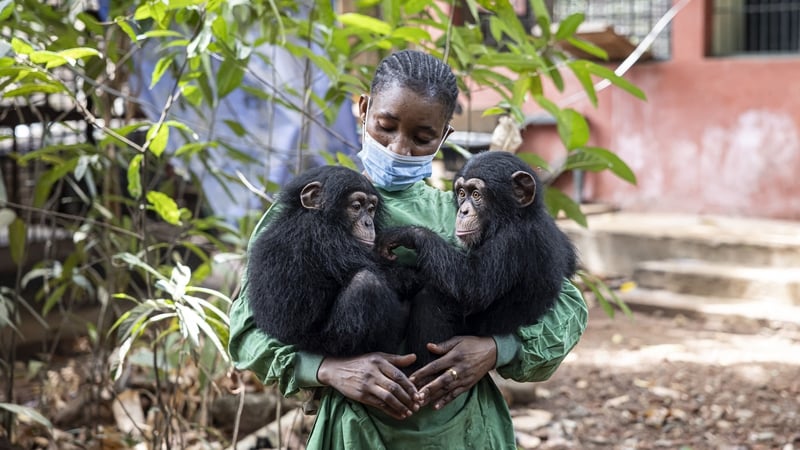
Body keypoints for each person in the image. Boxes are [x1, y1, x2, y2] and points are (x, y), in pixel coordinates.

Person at [228, 49, 588, 449]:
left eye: (421, 138)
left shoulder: (465, 210)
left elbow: (565, 309)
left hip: (464, 431)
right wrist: (327, 369)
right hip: (357, 432)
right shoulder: (308, 209)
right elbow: (247, 333)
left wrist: (496, 349)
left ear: (444, 137)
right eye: (385, 127)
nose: (399, 148)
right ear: (363, 110)